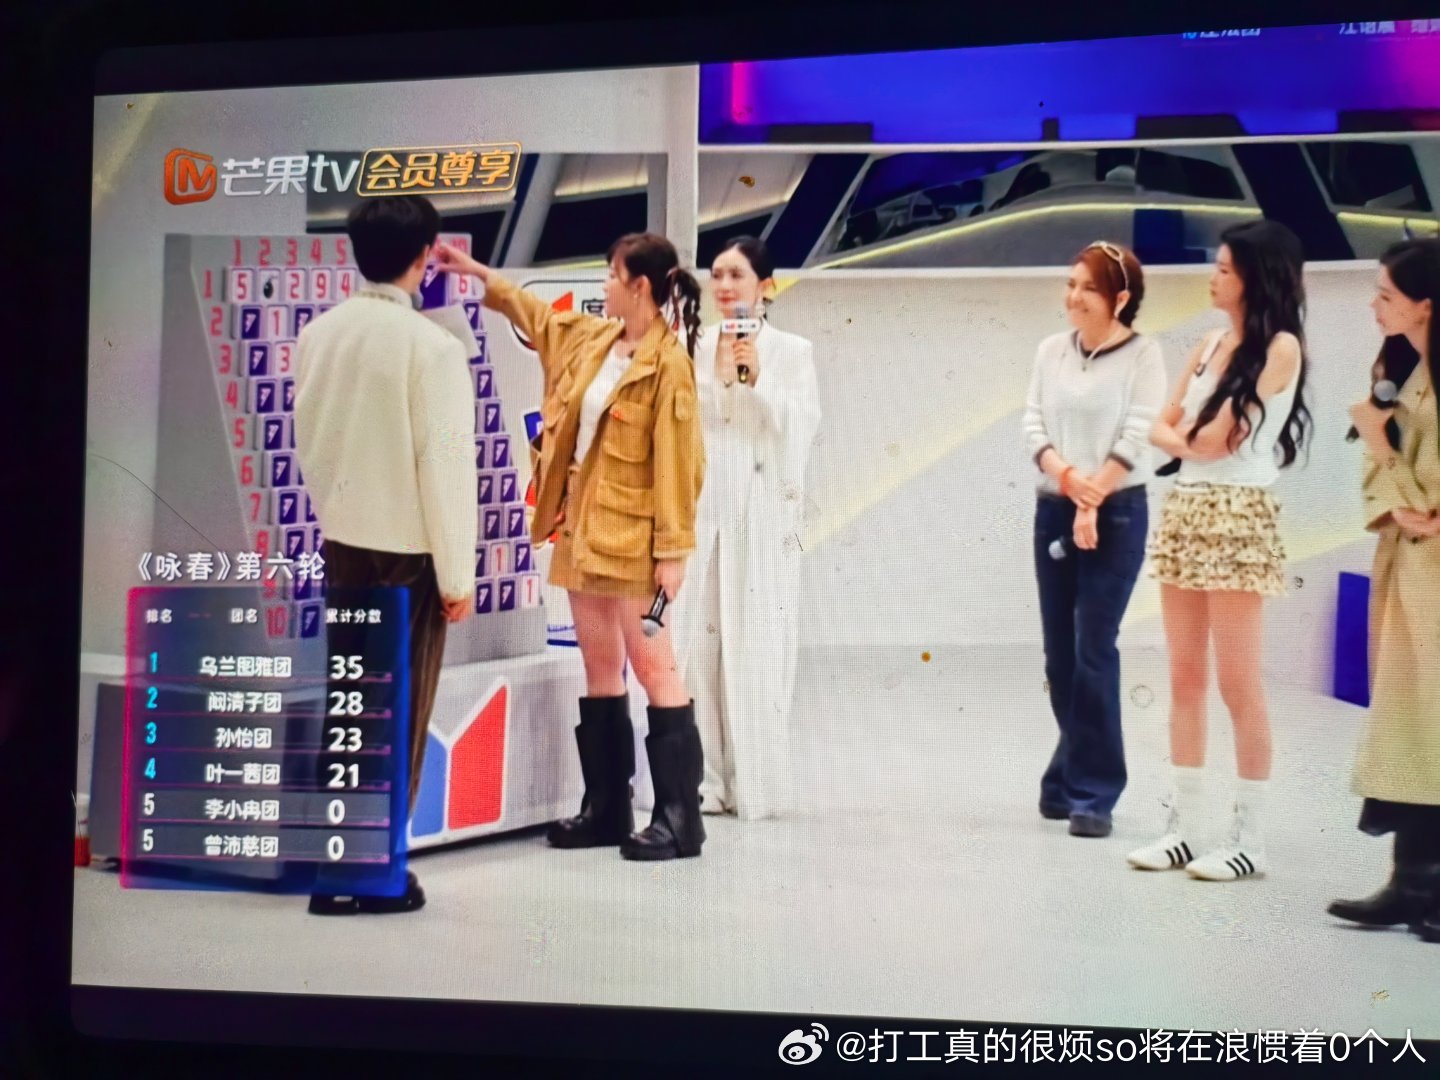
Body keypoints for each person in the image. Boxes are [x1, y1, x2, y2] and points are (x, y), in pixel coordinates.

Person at [435, 233, 708, 861]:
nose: (604, 284)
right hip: (583, 531)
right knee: (599, 665)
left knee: (654, 668)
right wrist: (477, 271)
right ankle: (606, 807)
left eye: (612, 274)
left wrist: (672, 553)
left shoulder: (669, 367)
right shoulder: (594, 340)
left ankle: (679, 818)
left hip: (636, 541)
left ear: (640, 286)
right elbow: (536, 317)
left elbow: (681, 466)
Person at [295, 195, 476, 915]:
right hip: (409, 553)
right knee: (396, 712)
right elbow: (446, 471)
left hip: (343, 541)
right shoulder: (433, 349)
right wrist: (457, 576)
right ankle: (374, 869)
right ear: (426, 255)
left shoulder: (319, 334)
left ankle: (334, 864)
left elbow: (309, 442)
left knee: (348, 703)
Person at [1129, 219, 1312, 881]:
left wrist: (1183, 440)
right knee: (1184, 675)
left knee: (1238, 682)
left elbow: (1214, 442)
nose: (1214, 278)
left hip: (1239, 514)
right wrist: (1186, 441)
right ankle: (1183, 827)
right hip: (1186, 509)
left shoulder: (1281, 347)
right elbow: (1161, 424)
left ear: (1256, 279)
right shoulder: (1208, 343)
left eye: (1226, 270)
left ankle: (1249, 838)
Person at [671, 236, 821, 819]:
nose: (725, 285)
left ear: (766, 285)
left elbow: (802, 431)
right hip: (704, 510)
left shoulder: (792, 352)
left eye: (736, 274)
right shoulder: (694, 345)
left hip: (760, 518)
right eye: (717, 274)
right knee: (697, 647)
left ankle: (754, 782)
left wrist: (758, 380)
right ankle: (703, 779)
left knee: (756, 646)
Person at [1023, 241, 1165, 839]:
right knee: (1060, 657)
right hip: (1055, 507)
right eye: (1070, 283)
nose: (1073, 296)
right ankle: (1067, 775)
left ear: (1120, 298)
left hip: (1119, 510)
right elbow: (1033, 420)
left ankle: (1093, 794)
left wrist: (1093, 497)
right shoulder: (1050, 351)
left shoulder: (1144, 355)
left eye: (1088, 287)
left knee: (1093, 647)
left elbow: (1139, 430)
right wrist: (1069, 481)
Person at [1329, 238, 1440, 942]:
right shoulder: (1400, 368)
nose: (1375, 306)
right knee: (1407, 724)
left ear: (1425, 305)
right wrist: (1395, 491)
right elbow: (1392, 492)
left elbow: (1421, 498)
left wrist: (1379, 443)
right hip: (1407, 570)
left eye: (1386, 295)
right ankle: (1411, 882)